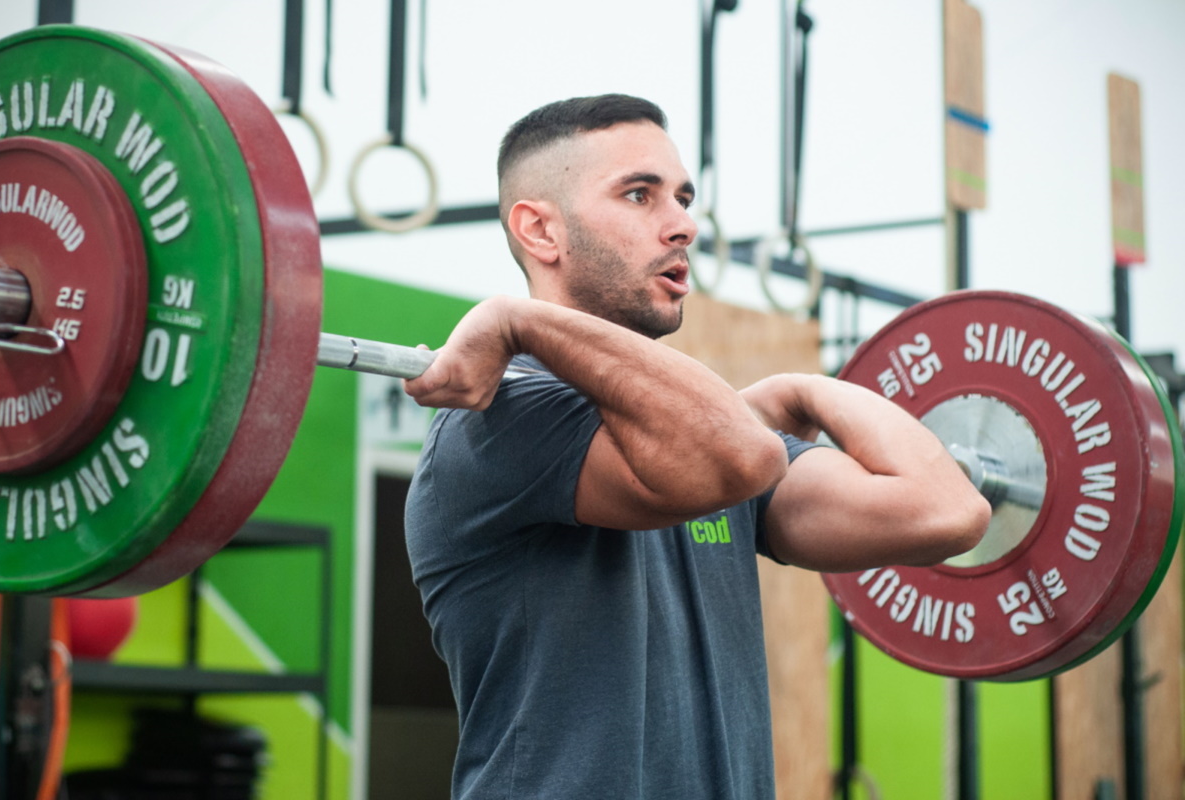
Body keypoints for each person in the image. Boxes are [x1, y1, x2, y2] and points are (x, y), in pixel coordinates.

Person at [403, 94, 990, 799]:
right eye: (639, 195)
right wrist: (517, 321)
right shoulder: (503, 420)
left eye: (682, 198)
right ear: (540, 231)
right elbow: (740, 459)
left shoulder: (708, 437)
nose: (682, 225)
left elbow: (948, 513)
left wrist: (807, 390)